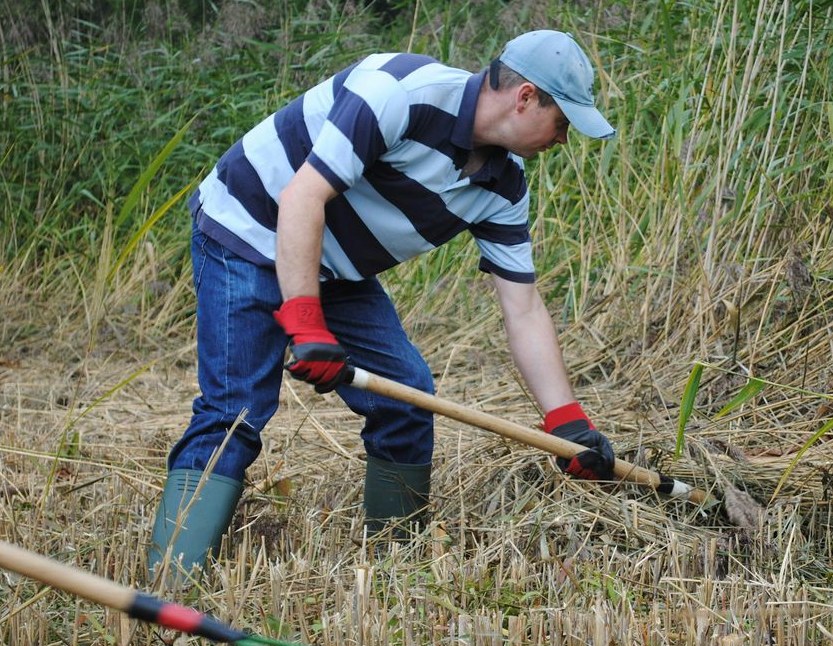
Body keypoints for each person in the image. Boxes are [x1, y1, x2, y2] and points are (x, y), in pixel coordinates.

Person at [148, 30, 618, 581]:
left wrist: (567, 423)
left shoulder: (504, 188)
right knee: (236, 411)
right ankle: (170, 582)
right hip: (247, 226)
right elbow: (302, 196)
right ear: (526, 97)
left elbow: (524, 308)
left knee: (406, 396)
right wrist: (305, 322)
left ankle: (395, 573)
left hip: (333, 266)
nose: (563, 139)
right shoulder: (399, 90)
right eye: (562, 122)